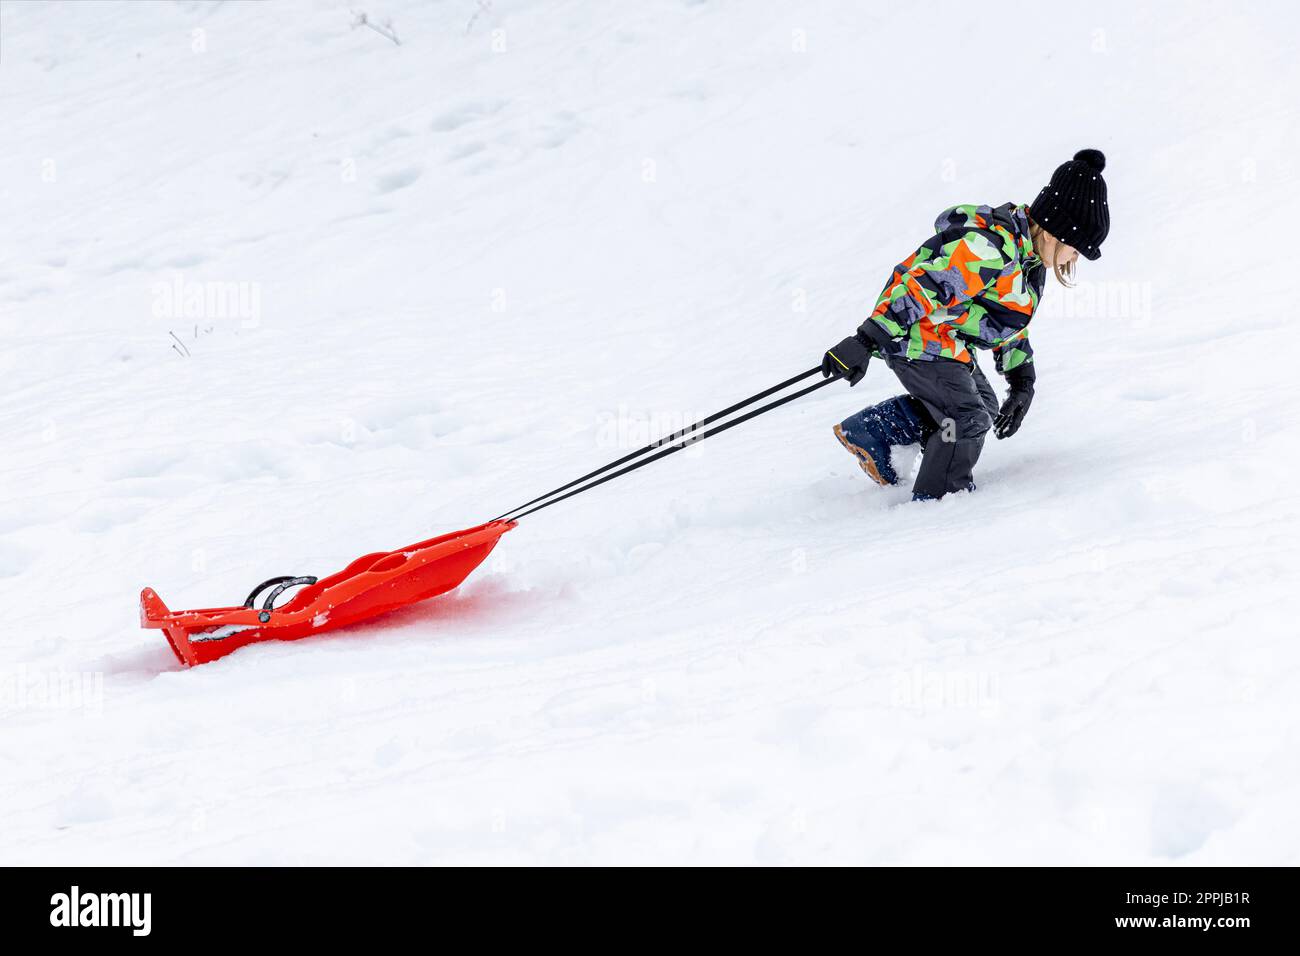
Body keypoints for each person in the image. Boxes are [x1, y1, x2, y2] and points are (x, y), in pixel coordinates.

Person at [822, 149, 1110, 500]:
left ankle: (875, 433)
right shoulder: (990, 251)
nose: (1074, 258)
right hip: (916, 336)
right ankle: (940, 504)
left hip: (943, 340)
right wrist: (866, 340)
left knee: (982, 407)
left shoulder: (1029, 261)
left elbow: (1005, 318)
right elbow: (921, 288)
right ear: (1054, 232)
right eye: (1077, 249)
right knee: (965, 418)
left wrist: (1022, 379)